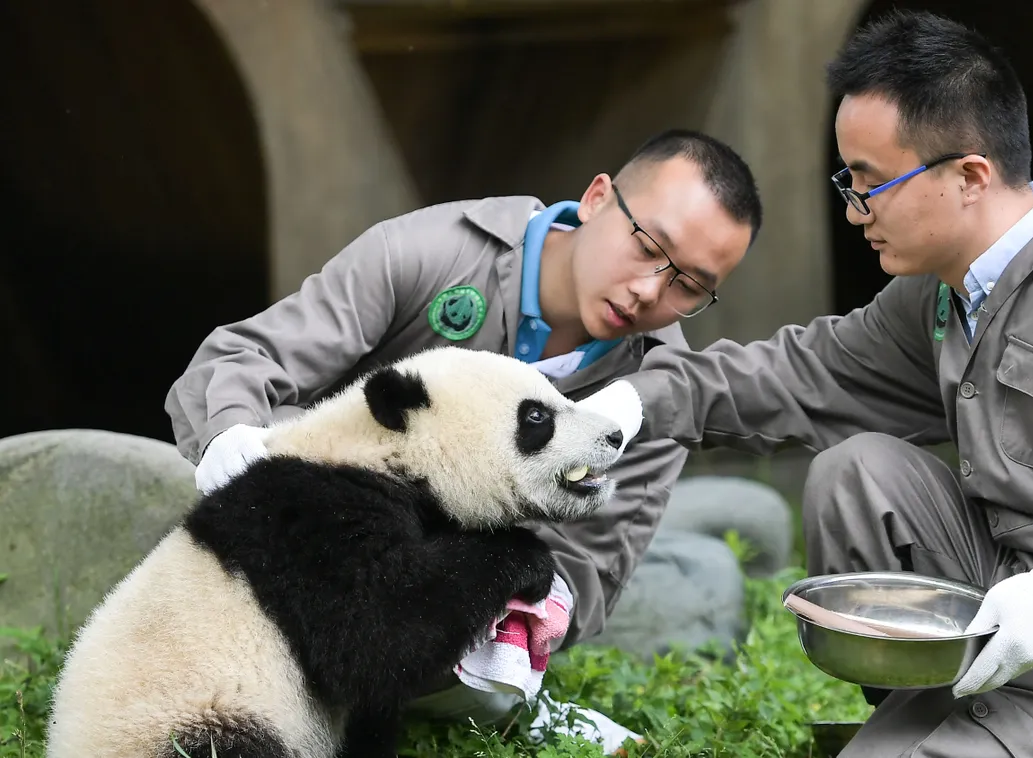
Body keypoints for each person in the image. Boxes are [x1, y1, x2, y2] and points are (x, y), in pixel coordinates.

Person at [583, 10, 1033, 757]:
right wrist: (631, 402)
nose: (854, 211)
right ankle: (951, 713)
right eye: (846, 180)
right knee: (857, 473)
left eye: (873, 183)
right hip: (1015, 631)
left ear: (970, 176)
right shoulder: (947, 296)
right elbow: (802, 373)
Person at [162, 128, 763, 747]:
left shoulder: (659, 390)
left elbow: (592, 565)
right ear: (597, 198)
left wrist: (515, 617)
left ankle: (493, 703)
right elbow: (243, 360)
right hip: (315, 533)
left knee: (491, 648)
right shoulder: (428, 252)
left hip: (450, 601)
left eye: (688, 285)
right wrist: (233, 445)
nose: (648, 290)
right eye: (646, 245)